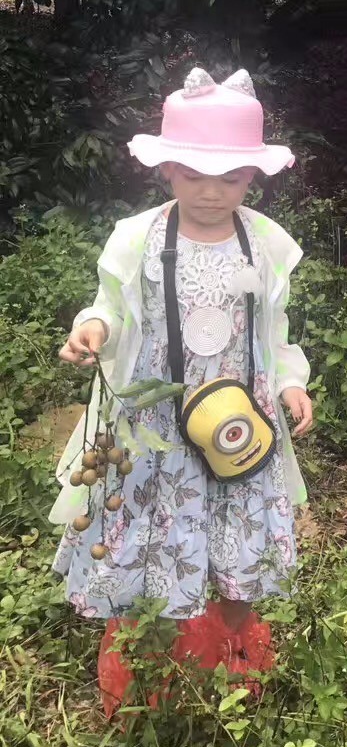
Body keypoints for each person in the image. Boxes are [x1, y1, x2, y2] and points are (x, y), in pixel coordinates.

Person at [50, 68, 314, 675]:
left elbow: (272, 331)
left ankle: (234, 632)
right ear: (167, 169)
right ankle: (151, 632)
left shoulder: (265, 244)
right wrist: (94, 329)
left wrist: (289, 380)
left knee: (237, 509)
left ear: (254, 176)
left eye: (231, 178)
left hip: (238, 413)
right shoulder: (137, 239)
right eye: (194, 175)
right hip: (155, 415)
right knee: (149, 515)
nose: (212, 192)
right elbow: (111, 308)